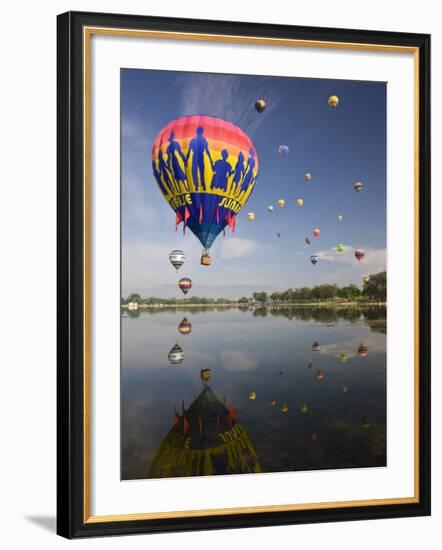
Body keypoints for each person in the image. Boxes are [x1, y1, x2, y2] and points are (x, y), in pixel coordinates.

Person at [185, 126, 214, 191]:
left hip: (200, 157)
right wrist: (186, 159)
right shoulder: (193, 140)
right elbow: (189, 150)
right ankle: (196, 185)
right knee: (194, 172)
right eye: (198, 132)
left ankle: (202, 185)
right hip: (195, 157)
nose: (199, 133)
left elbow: (207, 150)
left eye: (200, 132)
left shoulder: (203, 140)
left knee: (201, 172)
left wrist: (211, 160)